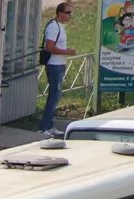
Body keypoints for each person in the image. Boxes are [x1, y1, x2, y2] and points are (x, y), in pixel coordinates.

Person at [39, 2, 76, 136]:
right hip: (54, 65)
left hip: (59, 64)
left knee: (56, 96)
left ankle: (49, 125)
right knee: (55, 95)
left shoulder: (60, 26)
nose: (70, 16)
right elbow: (49, 47)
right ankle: (44, 127)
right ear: (60, 13)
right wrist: (67, 51)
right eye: (68, 13)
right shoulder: (54, 27)